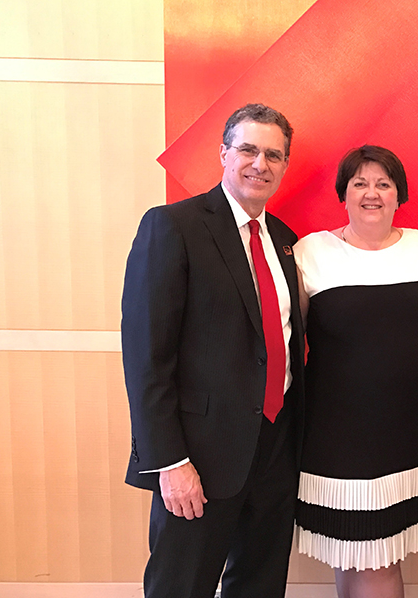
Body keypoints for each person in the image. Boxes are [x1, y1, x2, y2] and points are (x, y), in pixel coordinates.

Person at [121, 103, 305, 598]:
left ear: (285, 165)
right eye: (247, 149)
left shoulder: (285, 241)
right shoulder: (173, 227)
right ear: (223, 153)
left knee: (260, 585)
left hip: (275, 451)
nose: (259, 164)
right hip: (198, 459)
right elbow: (146, 357)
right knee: (181, 587)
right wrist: (169, 462)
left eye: (273, 154)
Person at [293, 145, 418, 598]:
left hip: (410, 433)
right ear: (343, 195)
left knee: (372, 558)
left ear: (399, 195)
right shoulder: (311, 252)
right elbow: (286, 342)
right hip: (339, 438)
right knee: (365, 557)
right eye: (359, 183)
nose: (371, 193)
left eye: (383, 183)